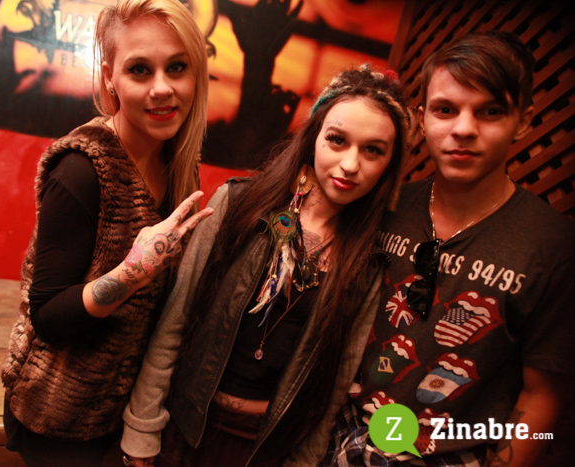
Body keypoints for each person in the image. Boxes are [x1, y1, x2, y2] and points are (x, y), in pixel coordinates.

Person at [120, 65, 415, 467]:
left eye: (373, 150)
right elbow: (175, 321)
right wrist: (142, 430)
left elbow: (333, 387)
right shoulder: (237, 205)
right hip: (183, 429)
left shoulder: (367, 262)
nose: (350, 164)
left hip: (263, 449)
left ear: (388, 164)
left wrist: (305, 463)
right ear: (314, 138)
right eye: (337, 140)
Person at [325, 31, 575, 466]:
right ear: (421, 120)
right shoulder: (385, 205)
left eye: (490, 112)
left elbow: (543, 395)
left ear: (523, 120)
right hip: (338, 437)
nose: (463, 129)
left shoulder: (553, 244)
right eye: (446, 109)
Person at [0, 1, 210, 466]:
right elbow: (47, 317)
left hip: (121, 417)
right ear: (110, 77)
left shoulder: (178, 164)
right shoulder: (81, 169)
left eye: (177, 67)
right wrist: (133, 272)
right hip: (58, 421)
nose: (162, 88)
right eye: (140, 70)